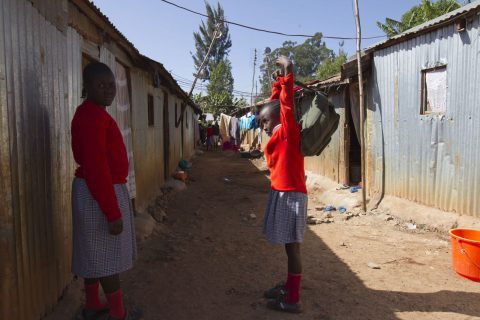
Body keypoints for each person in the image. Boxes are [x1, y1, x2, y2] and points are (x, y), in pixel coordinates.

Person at [71, 62, 141, 320]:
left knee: (94, 251)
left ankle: (92, 305)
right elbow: (97, 167)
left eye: (111, 85)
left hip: (97, 191)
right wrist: (112, 212)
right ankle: (118, 314)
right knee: (107, 257)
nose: (108, 90)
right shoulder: (91, 116)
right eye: (101, 85)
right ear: (87, 87)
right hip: (99, 193)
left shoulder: (94, 113)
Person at [259, 56, 307, 313]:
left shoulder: (287, 130)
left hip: (291, 196)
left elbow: (284, 106)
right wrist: (276, 83)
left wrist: (288, 70)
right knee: (290, 248)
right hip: (283, 194)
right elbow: (273, 105)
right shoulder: (277, 129)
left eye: (265, 122)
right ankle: (290, 287)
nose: (262, 127)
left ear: (277, 119)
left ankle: (293, 299)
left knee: (293, 249)